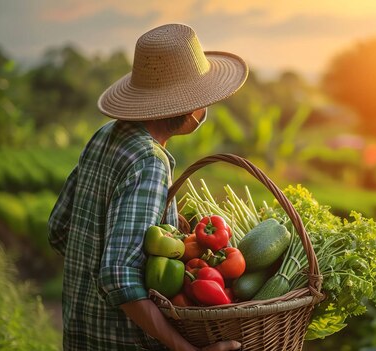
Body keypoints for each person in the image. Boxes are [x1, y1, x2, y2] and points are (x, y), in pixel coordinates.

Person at [48, 23, 248, 351]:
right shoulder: (149, 161)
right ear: (184, 110)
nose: (204, 109)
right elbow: (118, 274)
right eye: (201, 99)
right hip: (123, 341)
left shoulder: (104, 135)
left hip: (79, 333)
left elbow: (59, 230)